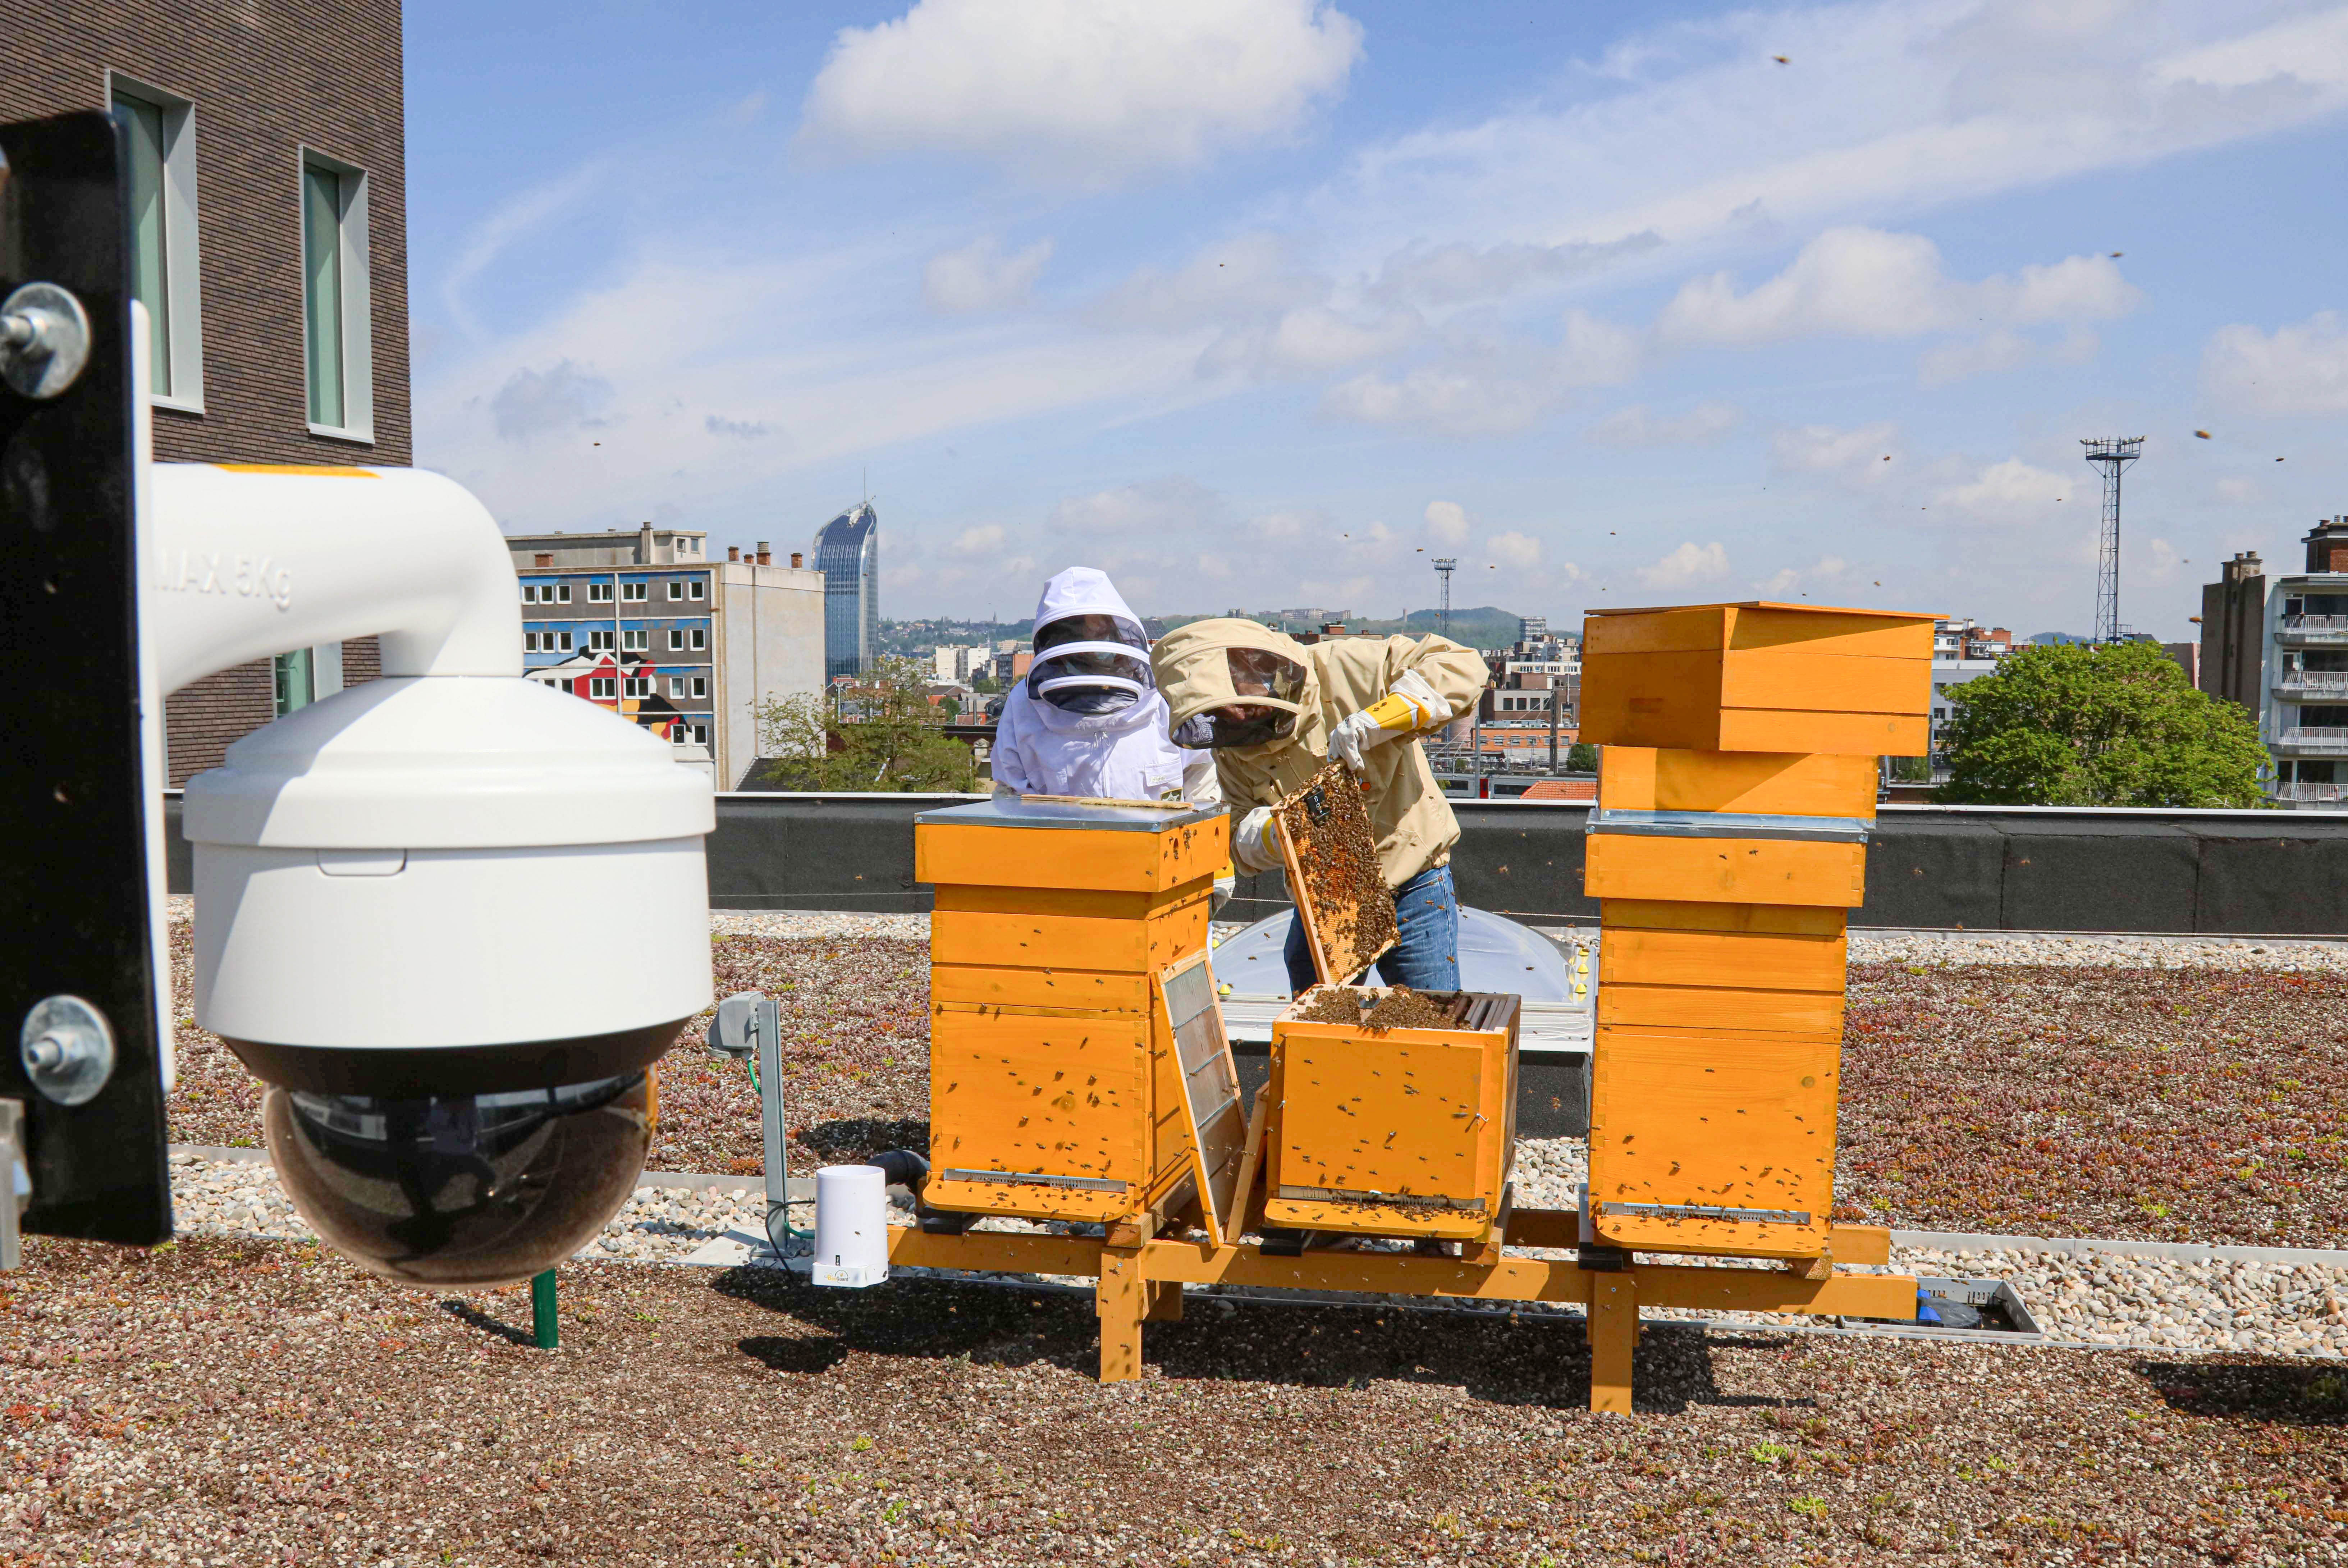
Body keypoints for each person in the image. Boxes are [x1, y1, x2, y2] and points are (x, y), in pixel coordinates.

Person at [1152, 618, 1486, 996]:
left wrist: (1380, 719)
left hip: (1414, 876)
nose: (1236, 718)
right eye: (1222, 711)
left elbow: (1461, 665)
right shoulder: (1233, 749)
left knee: (1431, 1012)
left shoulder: (1346, 665)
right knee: (1319, 1027)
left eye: (1237, 703)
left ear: (1250, 663)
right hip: (1326, 894)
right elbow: (1236, 836)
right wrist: (1275, 834)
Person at [990, 567, 1220, 808]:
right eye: (1074, 632)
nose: (1089, 643)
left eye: (1098, 630)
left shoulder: (1166, 688)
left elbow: (1200, 769)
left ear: (1113, 628)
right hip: (1062, 841)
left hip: (1160, 840)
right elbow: (1011, 792)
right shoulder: (1022, 704)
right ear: (1053, 639)